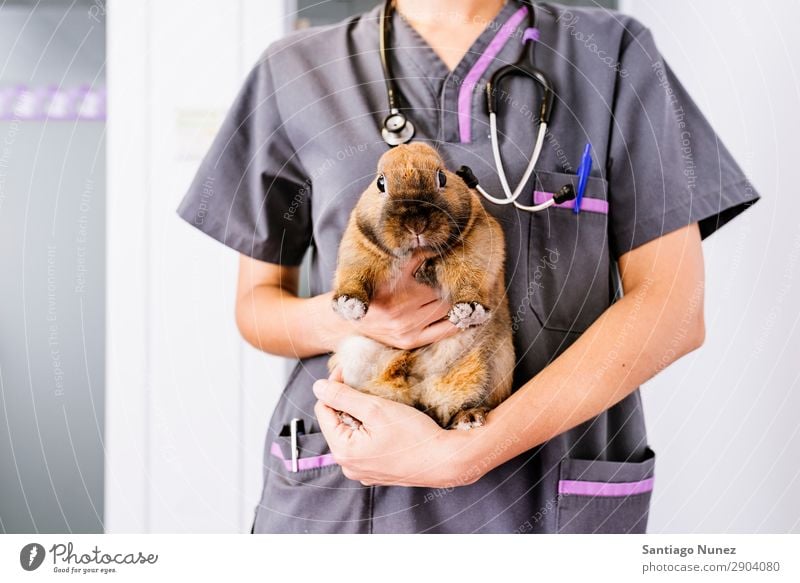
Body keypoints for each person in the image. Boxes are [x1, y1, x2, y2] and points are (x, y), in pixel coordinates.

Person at [176, 0, 759, 533]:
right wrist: (356, 319)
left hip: (544, 493)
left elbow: (674, 308)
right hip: (348, 492)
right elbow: (257, 308)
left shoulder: (613, 55)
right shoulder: (296, 69)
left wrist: (466, 452)